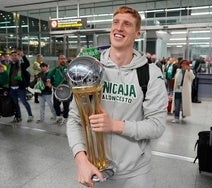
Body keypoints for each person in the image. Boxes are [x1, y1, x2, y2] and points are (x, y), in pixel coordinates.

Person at [66, 6, 167, 188]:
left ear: (137, 33)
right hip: (96, 169)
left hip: (136, 172)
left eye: (127, 24)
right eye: (116, 22)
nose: (119, 28)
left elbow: (157, 126)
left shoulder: (150, 73)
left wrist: (114, 125)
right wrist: (80, 159)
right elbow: (74, 119)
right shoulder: (90, 68)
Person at [7, 50, 34, 123]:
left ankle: (30, 115)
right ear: (10, 57)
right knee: (15, 103)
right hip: (12, 88)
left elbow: (27, 64)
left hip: (20, 88)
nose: (14, 57)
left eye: (15, 55)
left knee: (24, 102)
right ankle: (18, 117)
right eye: (12, 56)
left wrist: (23, 56)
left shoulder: (21, 65)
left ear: (18, 56)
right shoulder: (9, 65)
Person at [46, 54, 70, 126]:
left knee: (66, 105)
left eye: (64, 59)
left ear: (65, 60)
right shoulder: (55, 69)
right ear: (58, 60)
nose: (62, 60)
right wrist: (48, 82)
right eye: (61, 59)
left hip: (66, 89)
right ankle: (58, 117)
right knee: (56, 105)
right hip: (57, 89)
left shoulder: (69, 68)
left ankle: (65, 118)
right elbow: (49, 76)